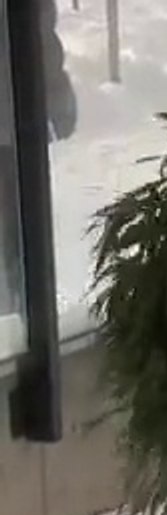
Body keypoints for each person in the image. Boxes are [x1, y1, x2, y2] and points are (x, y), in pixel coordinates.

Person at [0, 0, 78, 316]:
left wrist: (59, 102)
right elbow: (40, 38)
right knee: (18, 232)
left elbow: (41, 37)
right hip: (14, 125)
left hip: (13, 126)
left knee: (17, 232)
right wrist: (59, 104)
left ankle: (20, 314)